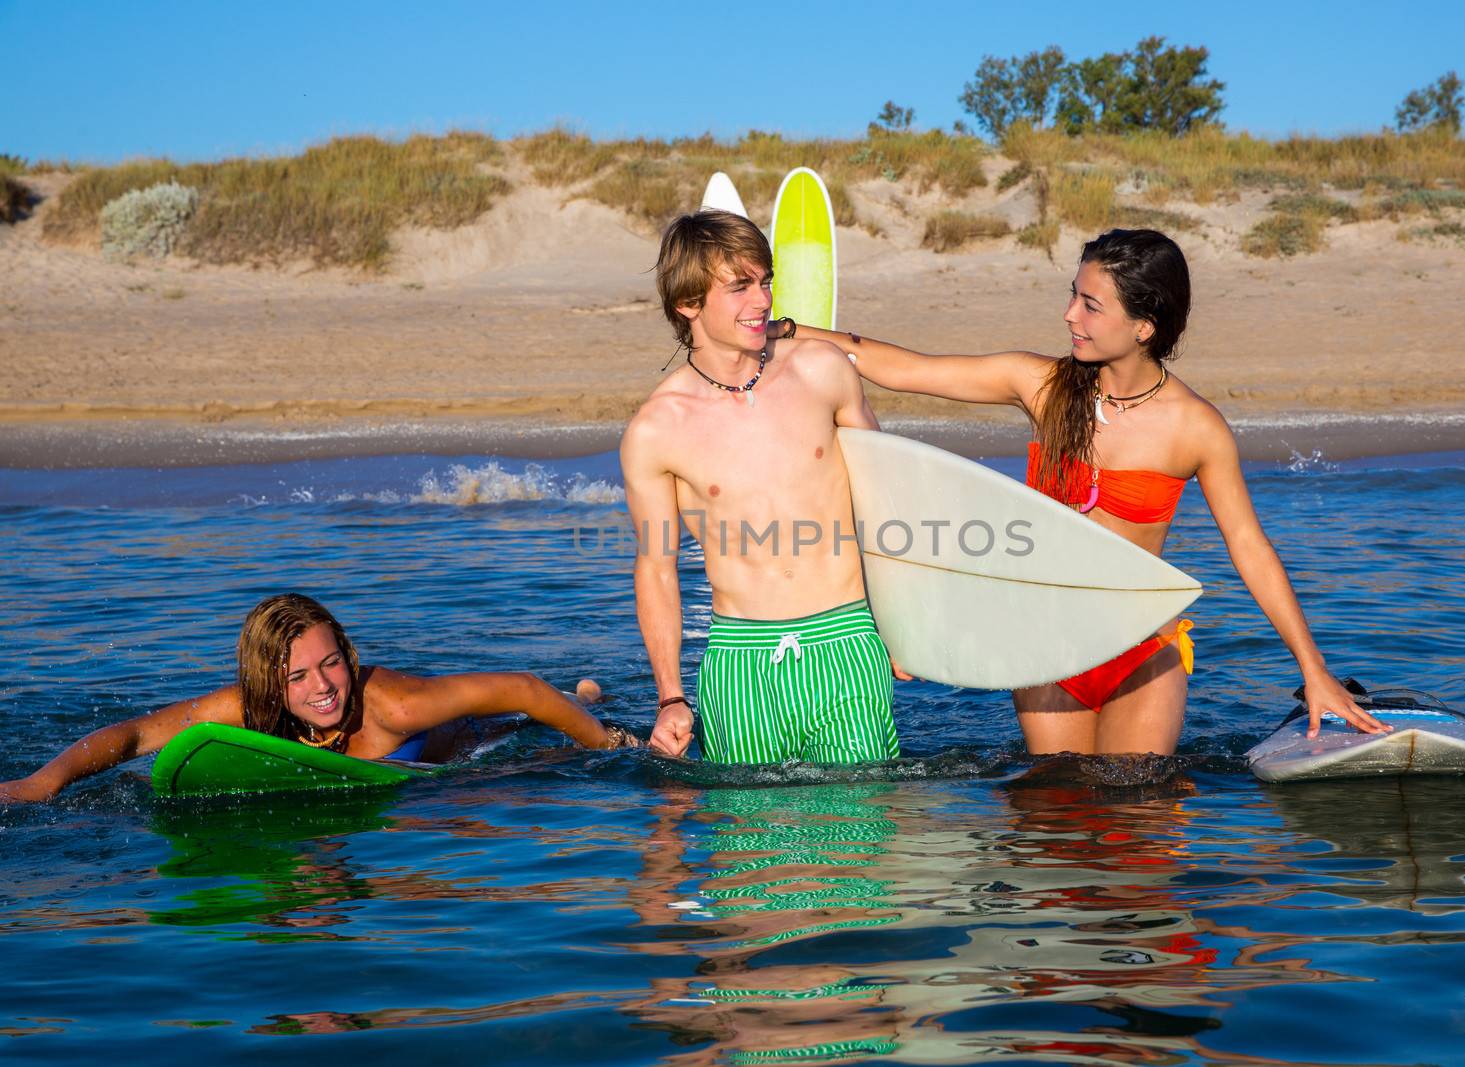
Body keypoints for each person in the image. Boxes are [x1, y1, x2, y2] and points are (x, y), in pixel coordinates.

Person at [774, 227, 1388, 755]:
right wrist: (787, 331)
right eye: (1074, 295)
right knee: (1060, 815)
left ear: (1144, 326)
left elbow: (1249, 546)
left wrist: (1314, 671)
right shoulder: (1044, 386)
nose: (1070, 314)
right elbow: (904, 366)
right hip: (1045, 644)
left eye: (1091, 305)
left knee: (1135, 819)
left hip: (1140, 647)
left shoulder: (1194, 428)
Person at [622, 209, 900, 764]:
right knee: (749, 844)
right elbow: (656, 565)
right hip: (740, 663)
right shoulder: (657, 429)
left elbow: (887, 498)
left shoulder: (822, 370)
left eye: (766, 281)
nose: (763, 301)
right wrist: (671, 697)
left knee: (863, 834)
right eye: (740, 286)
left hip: (846, 639)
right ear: (688, 303)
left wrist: (904, 621)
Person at [0, 592, 632, 803]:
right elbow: (135, 736)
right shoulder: (246, 709)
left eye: (330, 664)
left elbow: (521, 688)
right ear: (267, 683)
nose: (322, 687)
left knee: (517, 742)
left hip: (448, 747)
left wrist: (606, 745)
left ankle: (591, 698)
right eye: (296, 676)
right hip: (351, 769)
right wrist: (40, 784)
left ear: (349, 658)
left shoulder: (395, 704)